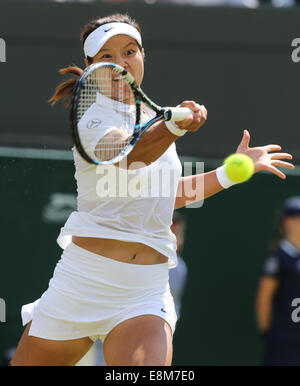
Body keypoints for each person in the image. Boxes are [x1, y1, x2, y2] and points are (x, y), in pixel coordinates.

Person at [11, 13, 294, 366]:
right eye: (106, 58)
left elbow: (165, 195)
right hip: (83, 281)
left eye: (129, 52)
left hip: (144, 290)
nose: (120, 64)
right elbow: (131, 155)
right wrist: (173, 128)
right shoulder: (92, 118)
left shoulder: (153, 117)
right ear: (89, 68)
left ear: (143, 55)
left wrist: (232, 173)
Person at [256, 196, 300, 366]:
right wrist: (269, 334)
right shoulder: (280, 257)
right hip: (283, 341)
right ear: (288, 222)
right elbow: (264, 298)